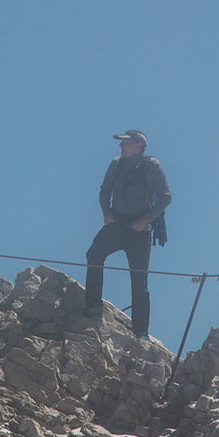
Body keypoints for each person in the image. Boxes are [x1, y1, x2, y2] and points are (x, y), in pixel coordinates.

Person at [83, 129, 170, 339]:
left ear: (138, 146)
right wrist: (106, 213)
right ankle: (94, 306)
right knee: (94, 255)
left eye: (125, 143)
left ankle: (141, 332)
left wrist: (145, 220)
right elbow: (104, 191)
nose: (120, 146)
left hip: (140, 231)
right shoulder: (116, 164)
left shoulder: (152, 166)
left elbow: (166, 197)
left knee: (139, 280)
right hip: (117, 224)